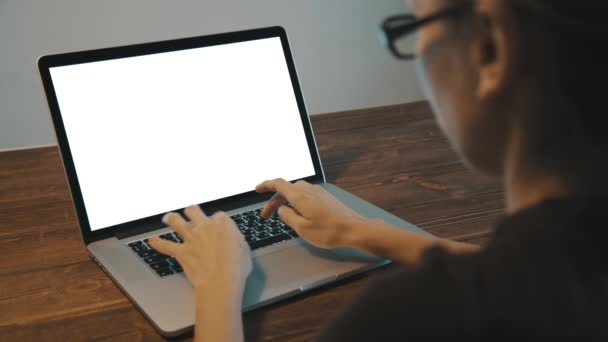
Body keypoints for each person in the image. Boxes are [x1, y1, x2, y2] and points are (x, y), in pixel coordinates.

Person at [149, 0, 608, 340]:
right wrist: (366, 232)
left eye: (413, 26)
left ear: (492, 48)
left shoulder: (407, 317)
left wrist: (219, 283)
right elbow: (536, 277)